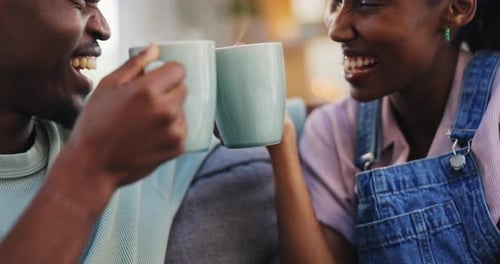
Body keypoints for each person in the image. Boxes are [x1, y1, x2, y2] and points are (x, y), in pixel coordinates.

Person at [0, 0, 280, 263]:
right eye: (79, 1)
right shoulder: (100, 148)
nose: (104, 28)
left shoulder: (125, 129)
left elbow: (302, 116)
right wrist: (90, 168)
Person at [266, 0, 500, 262]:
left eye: (367, 4)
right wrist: (280, 140)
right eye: (335, 2)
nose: (336, 30)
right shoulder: (334, 130)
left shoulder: (496, 108)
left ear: (456, 8)